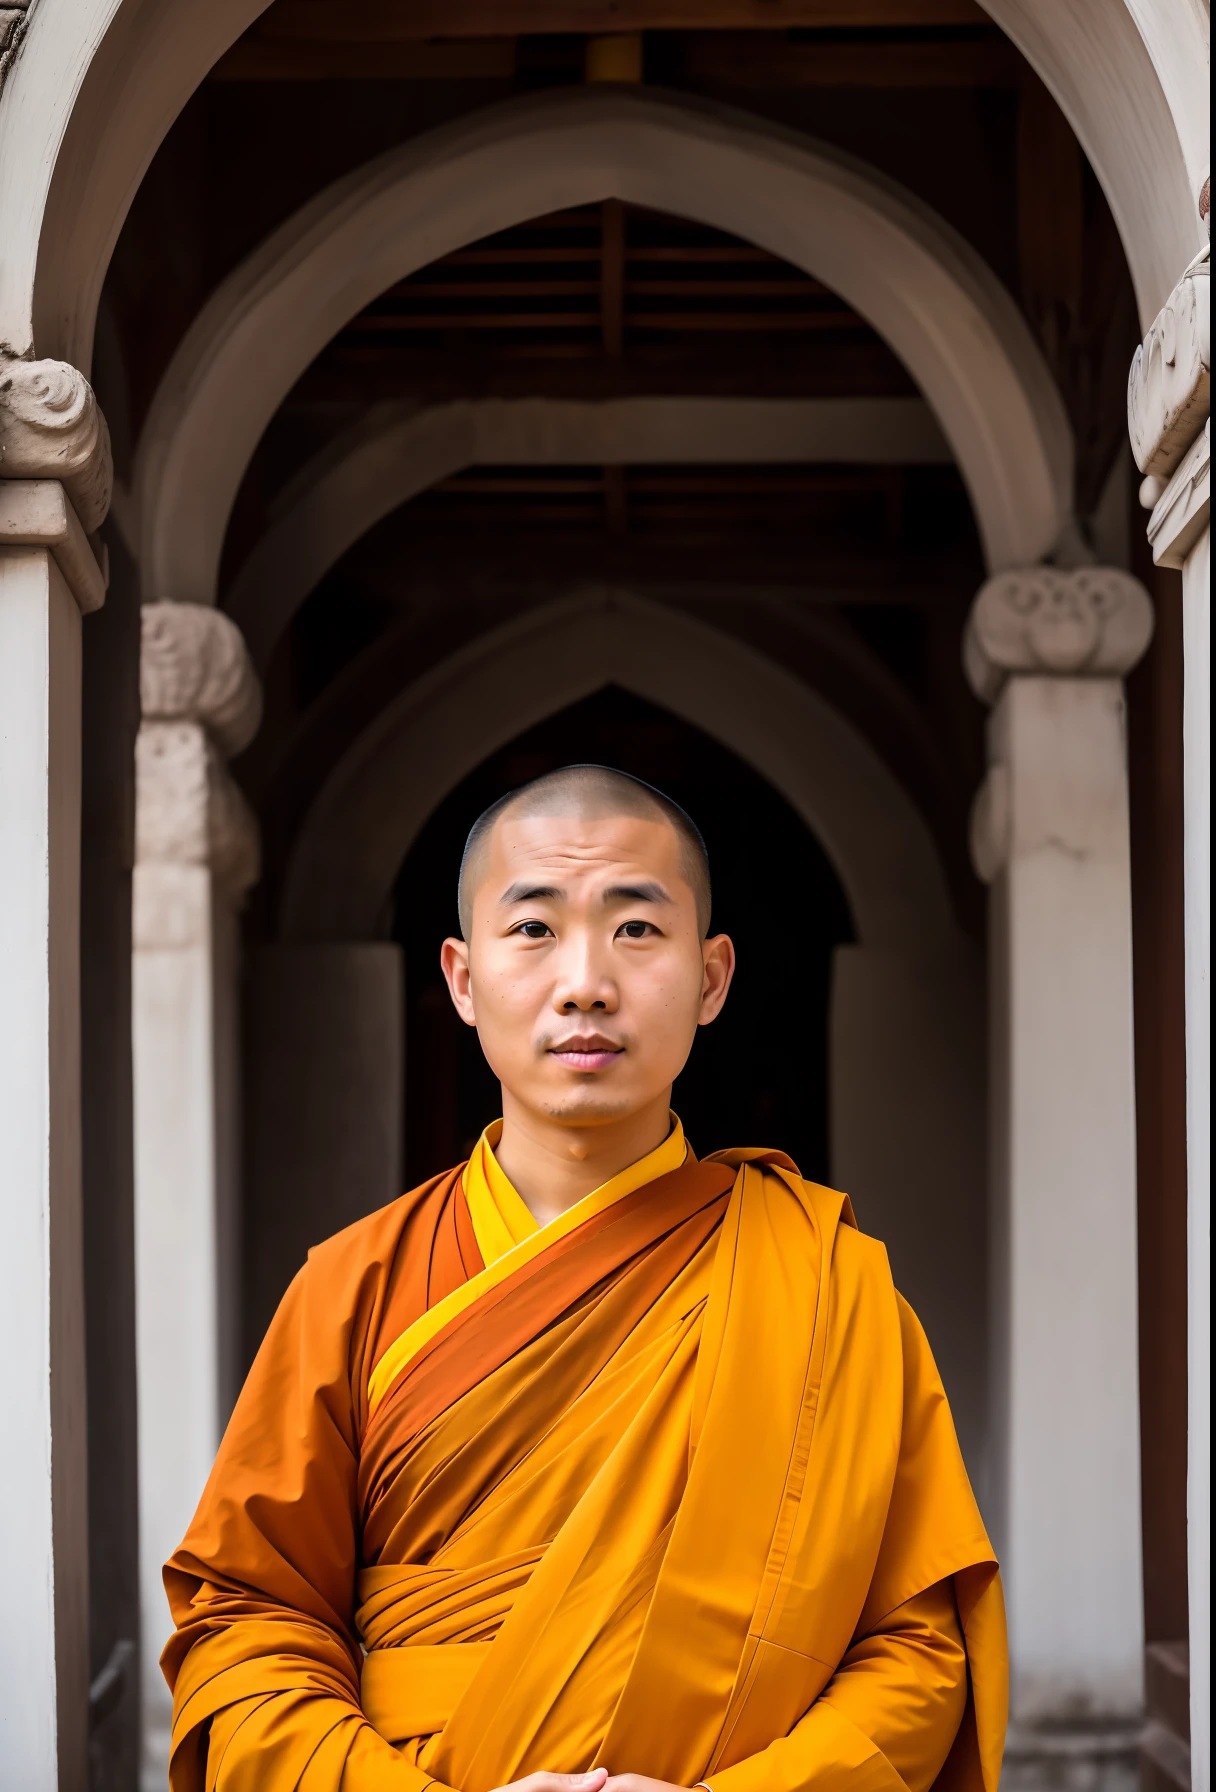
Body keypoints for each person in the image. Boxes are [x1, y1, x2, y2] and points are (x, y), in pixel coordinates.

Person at [162, 764, 1006, 1792]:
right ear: (462, 979)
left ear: (711, 975)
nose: (585, 980)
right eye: (533, 928)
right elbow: (249, 1625)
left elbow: (916, 1648)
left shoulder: (831, 1286)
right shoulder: (350, 1288)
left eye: (637, 928)